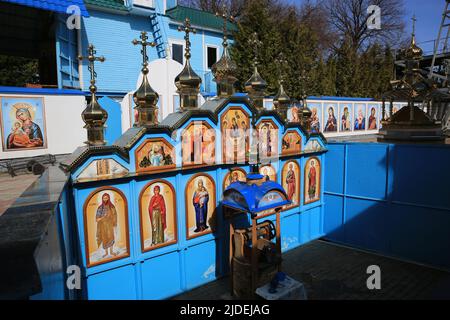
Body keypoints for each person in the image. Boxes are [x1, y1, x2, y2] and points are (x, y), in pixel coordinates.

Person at [96, 193, 118, 258]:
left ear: (108, 198)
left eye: (106, 198)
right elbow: (97, 219)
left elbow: (115, 215)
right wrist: (102, 217)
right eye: (104, 198)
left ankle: (111, 251)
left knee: (111, 238)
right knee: (104, 238)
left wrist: (114, 222)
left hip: (110, 225)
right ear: (102, 199)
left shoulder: (112, 207)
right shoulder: (100, 208)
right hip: (103, 226)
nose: (105, 199)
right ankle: (106, 253)